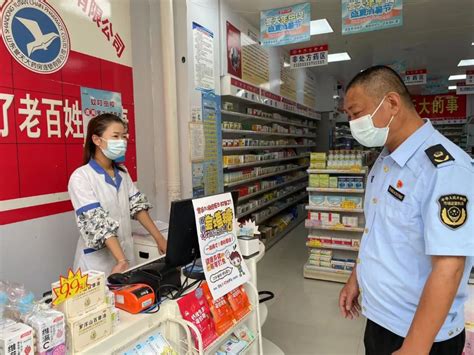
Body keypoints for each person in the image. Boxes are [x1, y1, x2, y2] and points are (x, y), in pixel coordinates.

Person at [339, 65, 474, 355]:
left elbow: (449, 267)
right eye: (348, 117)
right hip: (379, 319)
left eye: (356, 113)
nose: (352, 123)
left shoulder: (445, 169)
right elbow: (376, 231)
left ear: (391, 104)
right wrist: (356, 279)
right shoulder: (385, 159)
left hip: (421, 335)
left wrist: (415, 347)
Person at [68, 113, 167, 276]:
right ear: (97, 140)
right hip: (98, 264)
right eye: (115, 136)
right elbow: (98, 222)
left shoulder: (122, 172)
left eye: (123, 136)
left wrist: (159, 238)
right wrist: (121, 260)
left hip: (125, 257)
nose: (122, 142)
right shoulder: (81, 177)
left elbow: (138, 207)